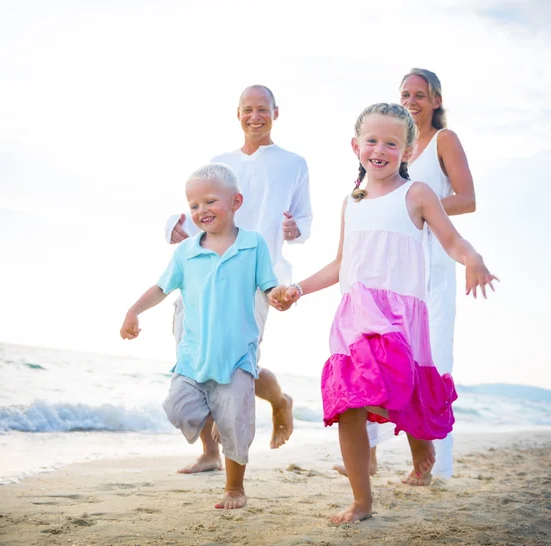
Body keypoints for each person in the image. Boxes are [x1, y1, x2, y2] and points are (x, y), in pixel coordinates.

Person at [268, 103, 497, 524]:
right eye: (372, 141)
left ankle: (417, 433)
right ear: (356, 146)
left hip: (398, 315)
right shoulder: (350, 201)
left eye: (391, 143)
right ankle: (362, 501)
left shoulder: (418, 195)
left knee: (390, 385)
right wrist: (298, 289)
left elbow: (451, 240)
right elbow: (342, 263)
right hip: (355, 312)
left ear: (407, 152)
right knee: (348, 402)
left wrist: (474, 259)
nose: (380, 149)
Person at [335, 68, 477, 485]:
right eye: (405, 93)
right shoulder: (375, 173)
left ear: (436, 100)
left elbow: (467, 199)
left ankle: (434, 462)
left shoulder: (440, 145)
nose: (412, 100)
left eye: (420, 94)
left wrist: (415, 208)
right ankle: (371, 456)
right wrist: (389, 205)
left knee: (423, 363)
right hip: (379, 266)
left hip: (425, 262)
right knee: (371, 361)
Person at [164, 85, 313, 473]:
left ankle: (279, 400)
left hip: (256, 278)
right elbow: (196, 208)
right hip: (203, 273)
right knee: (196, 361)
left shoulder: (293, 163)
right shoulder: (220, 161)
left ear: (275, 113)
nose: (255, 116)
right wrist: (173, 227)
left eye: (262, 109)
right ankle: (209, 453)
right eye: (248, 109)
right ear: (238, 114)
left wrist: (296, 229)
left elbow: (306, 222)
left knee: (237, 366)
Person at [121, 164, 278, 509]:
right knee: (178, 408)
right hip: (193, 355)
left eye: (210, 201)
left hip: (237, 354)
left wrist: (278, 296)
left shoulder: (254, 245)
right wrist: (134, 310)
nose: (201, 210)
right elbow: (162, 287)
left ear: (236, 201)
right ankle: (215, 419)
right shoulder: (186, 251)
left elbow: (268, 286)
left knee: (236, 426)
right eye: (193, 206)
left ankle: (234, 488)